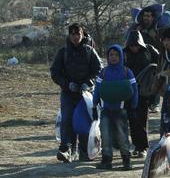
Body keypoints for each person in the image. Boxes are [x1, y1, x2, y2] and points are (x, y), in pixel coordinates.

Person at [50, 23, 102, 163]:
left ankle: (84, 151)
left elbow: (98, 70)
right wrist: (67, 84)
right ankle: (66, 149)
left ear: (82, 34)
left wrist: (88, 83)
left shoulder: (90, 51)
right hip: (68, 93)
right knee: (67, 120)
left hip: (85, 95)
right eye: (72, 34)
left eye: (78, 33)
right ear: (69, 35)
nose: (75, 37)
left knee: (83, 122)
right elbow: (55, 72)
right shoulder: (63, 52)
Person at [92, 45, 138, 170]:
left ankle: (126, 160)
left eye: (116, 55)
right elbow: (97, 89)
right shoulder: (104, 72)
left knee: (122, 136)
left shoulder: (126, 72)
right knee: (105, 136)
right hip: (106, 110)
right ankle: (106, 160)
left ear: (121, 56)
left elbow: (134, 90)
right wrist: (94, 105)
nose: (113, 57)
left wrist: (134, 107)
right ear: (108, 57)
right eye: (111, 55)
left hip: (120, 110)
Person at [124, 31, 160, 158]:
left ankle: (143, 146)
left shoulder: (149, 50)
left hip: (144, 91)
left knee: (142, 120)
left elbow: (159, 64)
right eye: (132, 45)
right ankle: (137, 145)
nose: (134, 48)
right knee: (132, 120)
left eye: (136, 45)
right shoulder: (124, 53)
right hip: (129, 91)